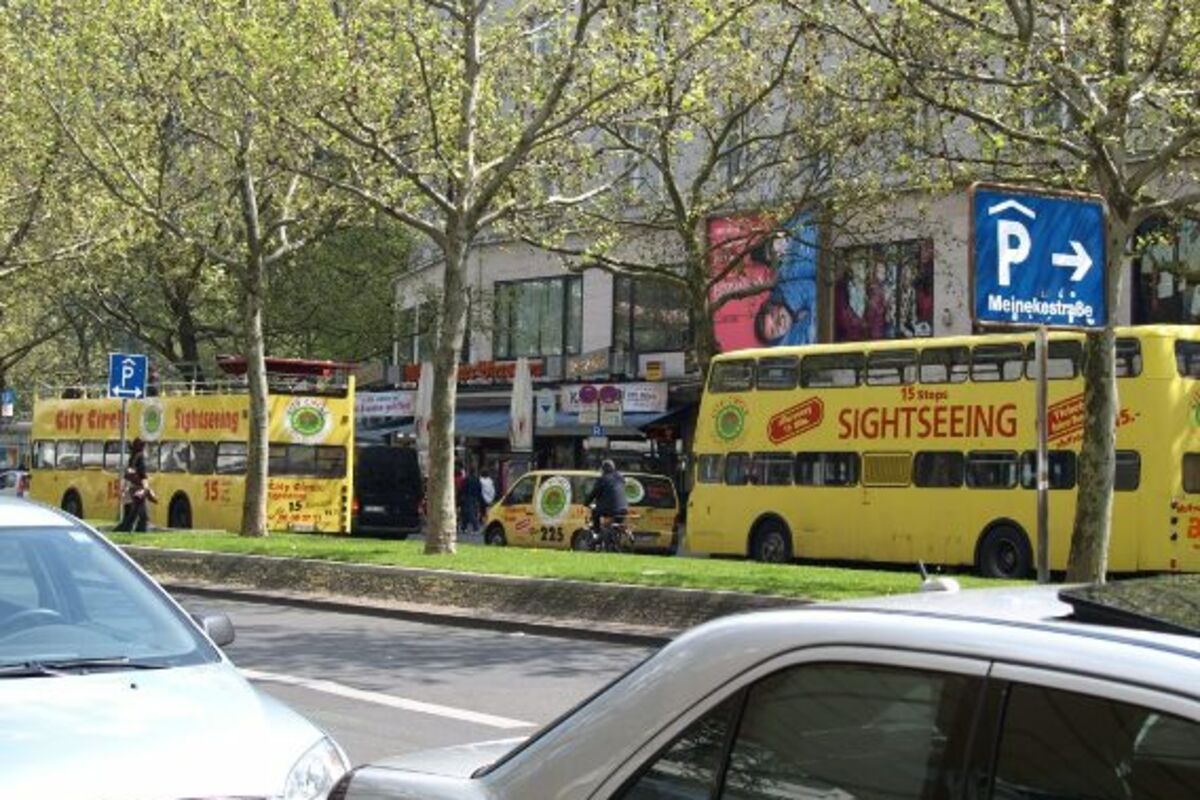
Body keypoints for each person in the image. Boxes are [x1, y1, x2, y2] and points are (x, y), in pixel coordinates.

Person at [114, 438, 151, 532]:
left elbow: (130, 472)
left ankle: (132, 528)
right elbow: (142, 473)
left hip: (132, 486)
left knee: (136, 511)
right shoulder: (140, 457)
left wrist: (125, 486)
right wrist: (145, 486)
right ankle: (133, 528)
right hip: (138, 487)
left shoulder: (133, 457)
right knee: (139, 512)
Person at [585, 459, 628, 534]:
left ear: (604, 469)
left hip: (609, 509)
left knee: (595, 513)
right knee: (614, 525)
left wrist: (586, 503)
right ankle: (613, 535)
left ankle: (596, 532)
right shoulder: (620, 478)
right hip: (623, 509)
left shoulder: (603, 479)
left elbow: (594, 493)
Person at [460, 467, 484, 536]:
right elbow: (480, 489)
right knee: (470, 512)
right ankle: (463, 527)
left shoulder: (466, 479)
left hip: (468, 497)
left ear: (469, 472)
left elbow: (463, 488)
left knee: (469, 513)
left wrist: (462, 496)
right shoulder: (477, 479)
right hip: (475, 497)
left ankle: (475, 528)